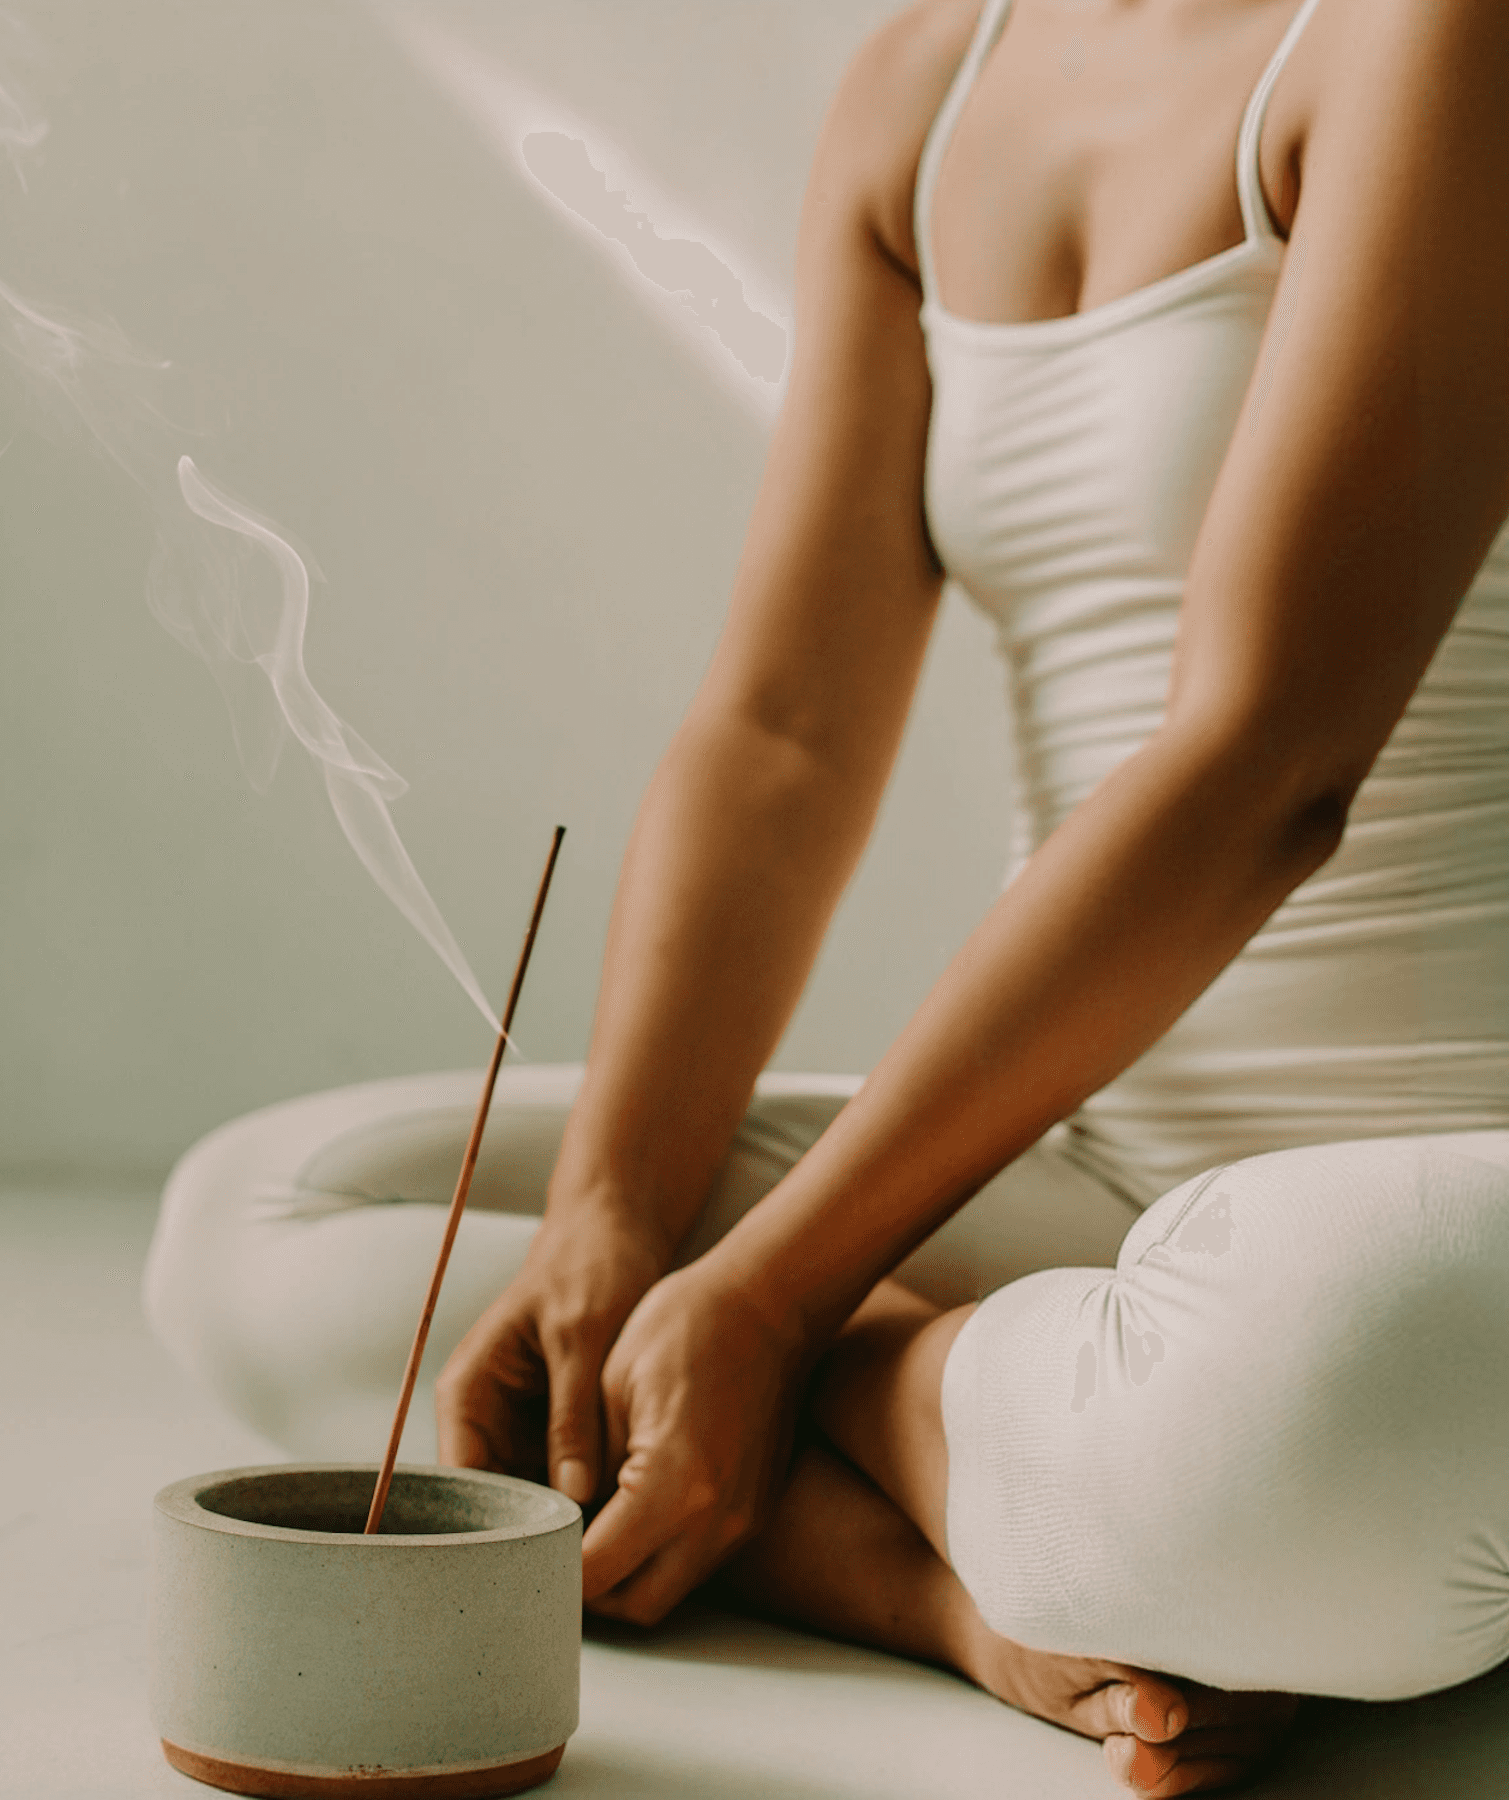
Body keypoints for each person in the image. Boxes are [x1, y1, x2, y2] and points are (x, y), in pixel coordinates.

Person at [143, 1, 1509, 1794]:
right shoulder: (925, 92)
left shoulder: (1439, 35)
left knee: (1328, 1407)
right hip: (1086, 1172)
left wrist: (786, 1303)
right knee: (270, 1234)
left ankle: (881, 1411)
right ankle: (967, 1589)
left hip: (1443, 1193)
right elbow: (781, 738)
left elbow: (1269, 764)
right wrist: (619, 1218)